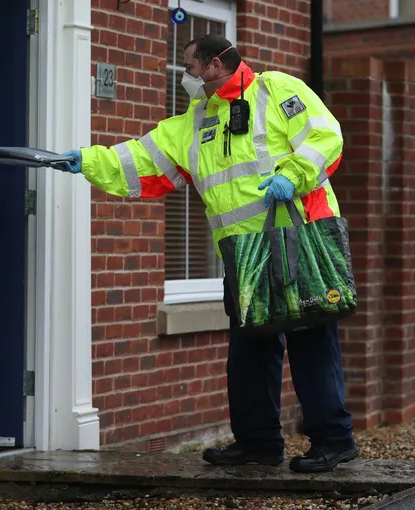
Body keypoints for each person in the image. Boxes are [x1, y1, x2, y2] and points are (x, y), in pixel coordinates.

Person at [63, 34, 357, 473]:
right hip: (243, 255)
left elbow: (325, 136)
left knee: (311, 342)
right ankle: (258, 443)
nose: (188, 77)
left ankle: (334, 441)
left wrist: (292, 176)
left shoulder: (277, 91)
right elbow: (138, 159)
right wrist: (85, 161)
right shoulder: (193, 123)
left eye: (192, 67)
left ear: (217, 63)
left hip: (302, 241)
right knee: (249, 353)